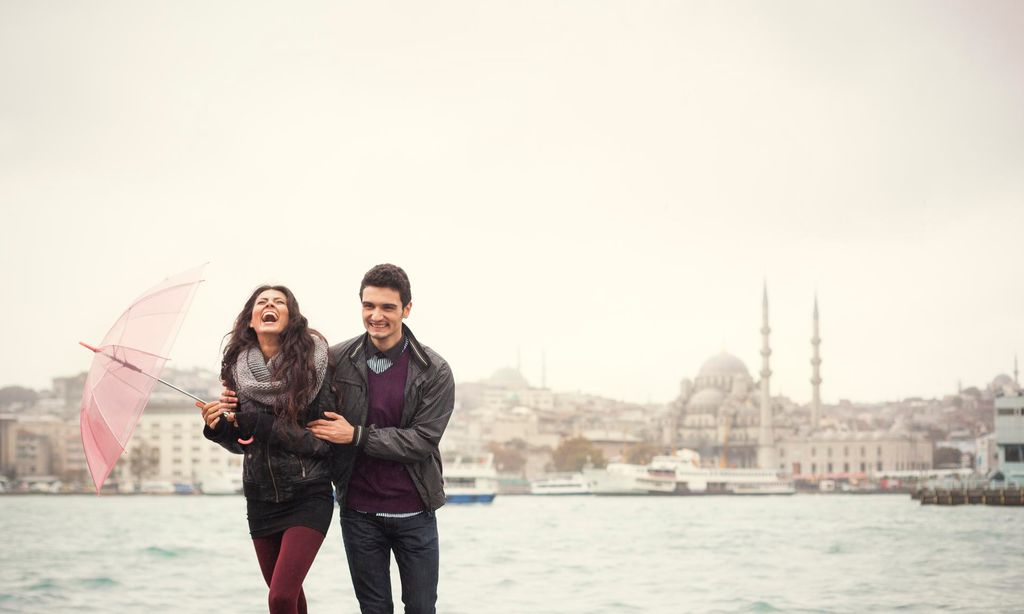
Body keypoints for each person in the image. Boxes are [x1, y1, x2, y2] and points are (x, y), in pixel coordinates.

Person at [306, 263, 455, 614]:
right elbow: (308, 415)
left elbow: (421, 441)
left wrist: (356, 435)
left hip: (415, 512)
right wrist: (234, 413)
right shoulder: (335, 360)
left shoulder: (434, 370)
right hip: (358, 512)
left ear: (407, 309)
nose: (376, 316)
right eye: (368, 306)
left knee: (421, 609)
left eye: (387, 307)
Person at [199, 285, 335, 614]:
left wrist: (261, 425)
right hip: (260, 499)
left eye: (279, 302)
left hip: (307, 493)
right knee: (290, 597)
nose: (270, 305)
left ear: (291, 318)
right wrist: (218, 427)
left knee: (280, 598)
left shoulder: (314, 365)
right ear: (250, 320)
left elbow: (324, 443)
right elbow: (240, 443)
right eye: (262, 302)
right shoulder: (237, 370)